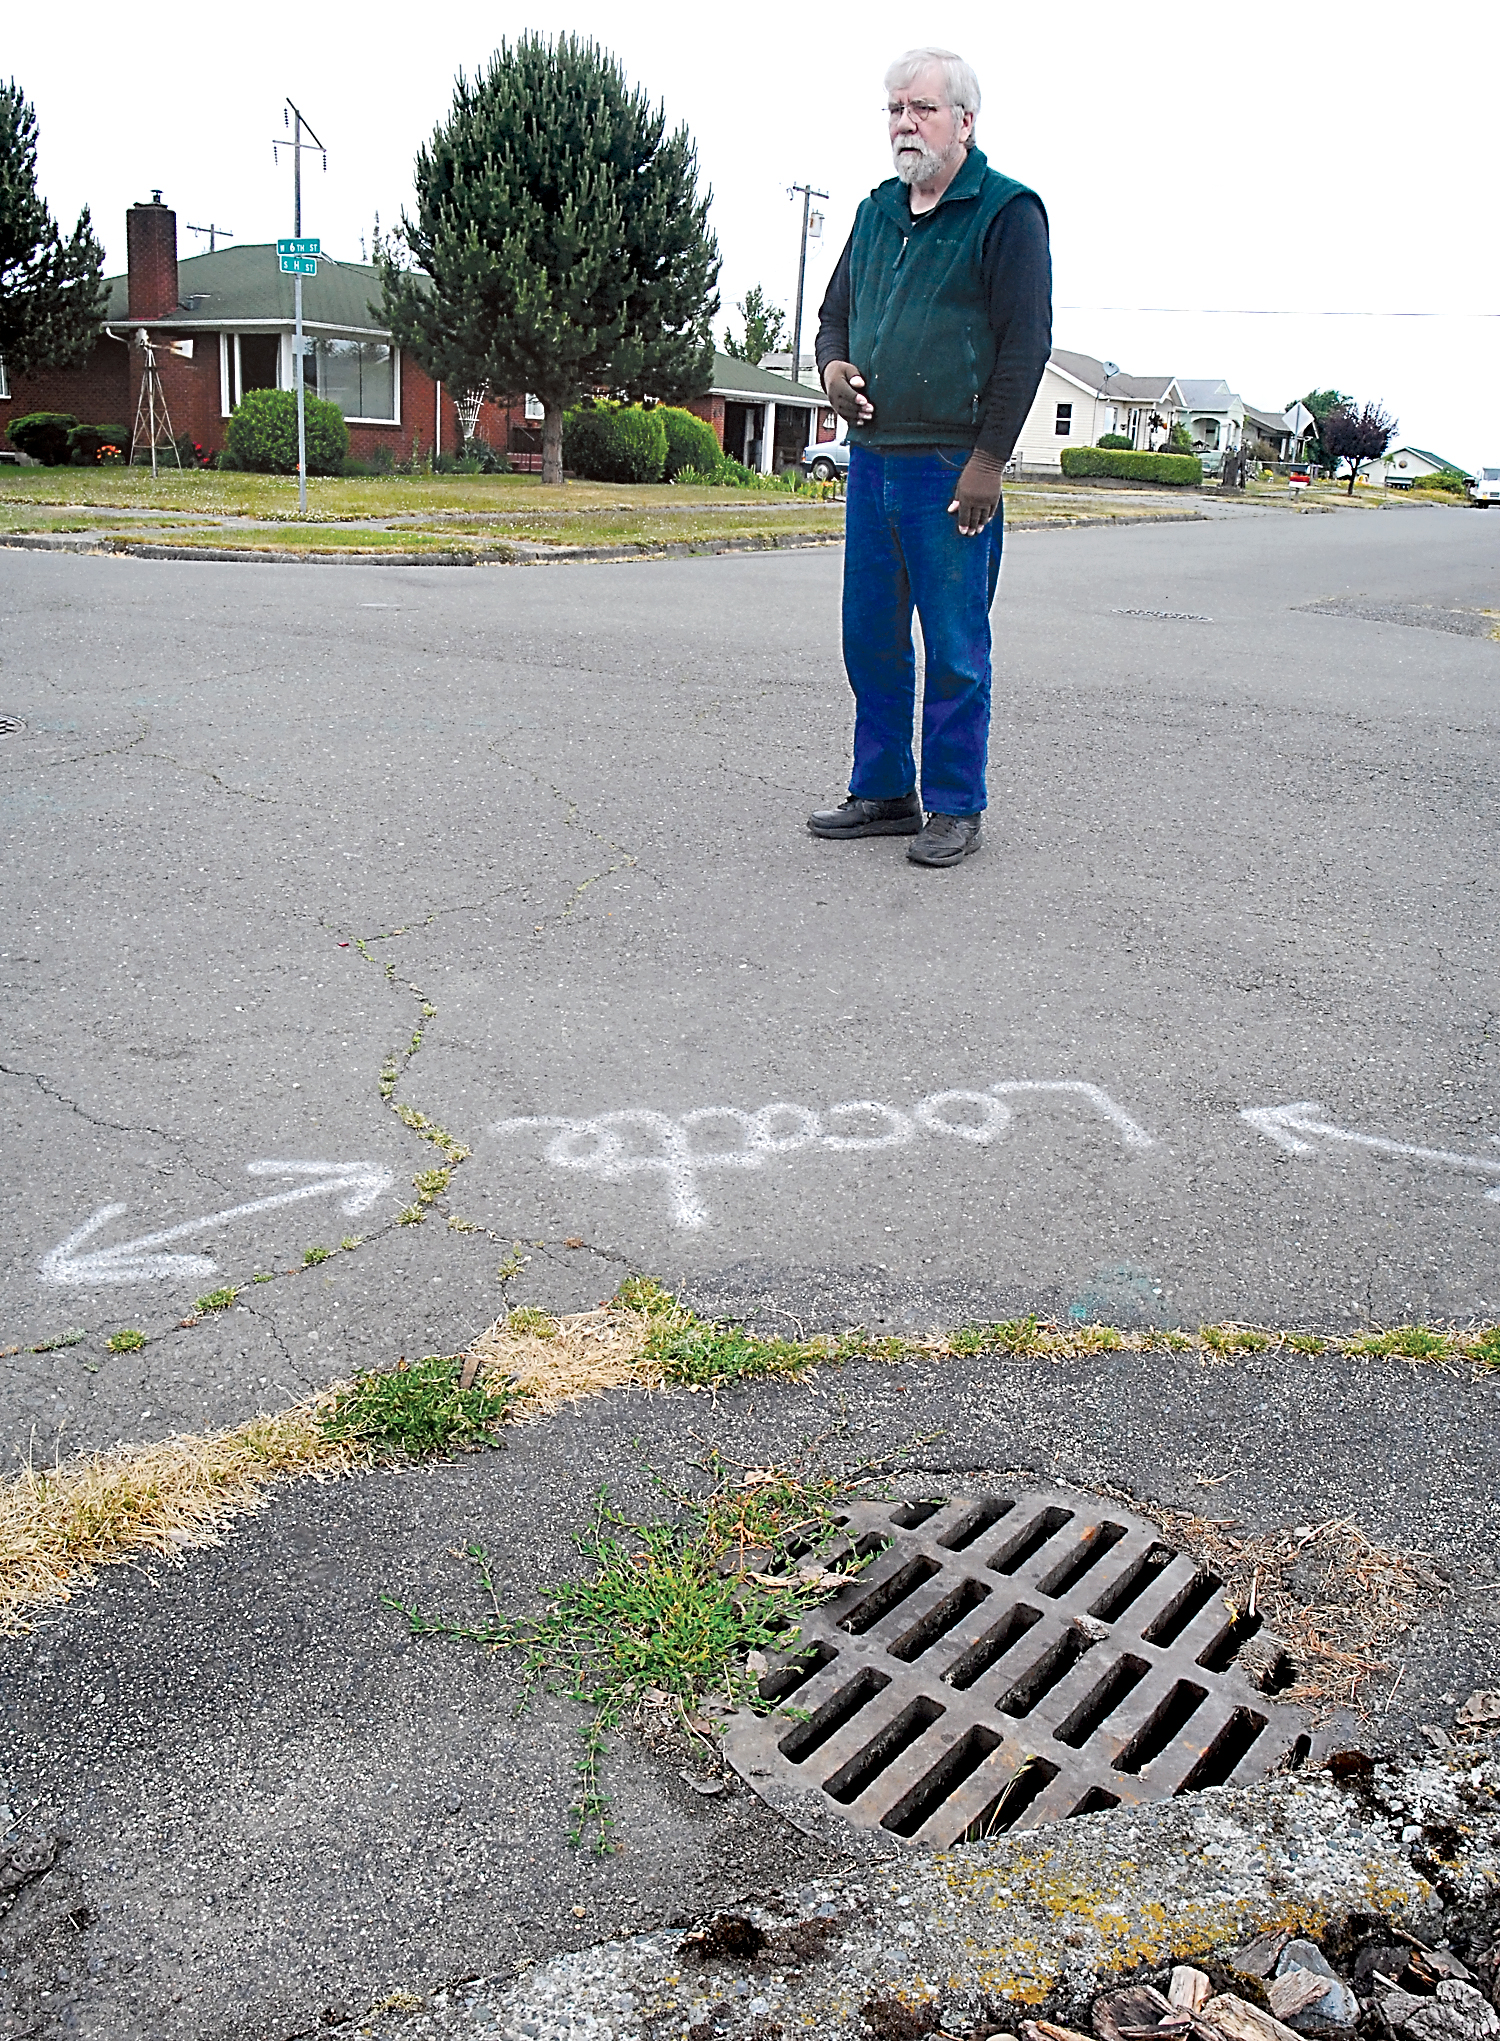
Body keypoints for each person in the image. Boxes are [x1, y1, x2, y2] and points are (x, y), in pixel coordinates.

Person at [809, 50, 1051, 868]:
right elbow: (833, 317)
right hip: (873, 460)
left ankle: (955, 804)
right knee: (870, 637)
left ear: (965, 122)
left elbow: (1026, 348)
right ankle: (883, 791)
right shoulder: (878, 212)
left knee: (954, 644)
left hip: (951, 468)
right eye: (893, 109)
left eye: (920, 108)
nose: (903, 123)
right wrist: (833, 372)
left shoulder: (1006, 212)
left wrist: (988, 461)